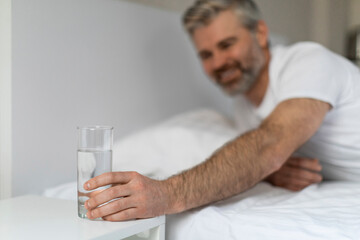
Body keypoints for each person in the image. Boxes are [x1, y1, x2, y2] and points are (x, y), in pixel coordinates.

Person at [83, 0, 360, 221]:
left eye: (227, 45)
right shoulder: (242, 106)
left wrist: (166, 193)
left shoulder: (308, 62)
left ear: (260, 34)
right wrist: (268, 171)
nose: (218, 63)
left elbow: (268, 145)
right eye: (206, 54)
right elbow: (264, 155)